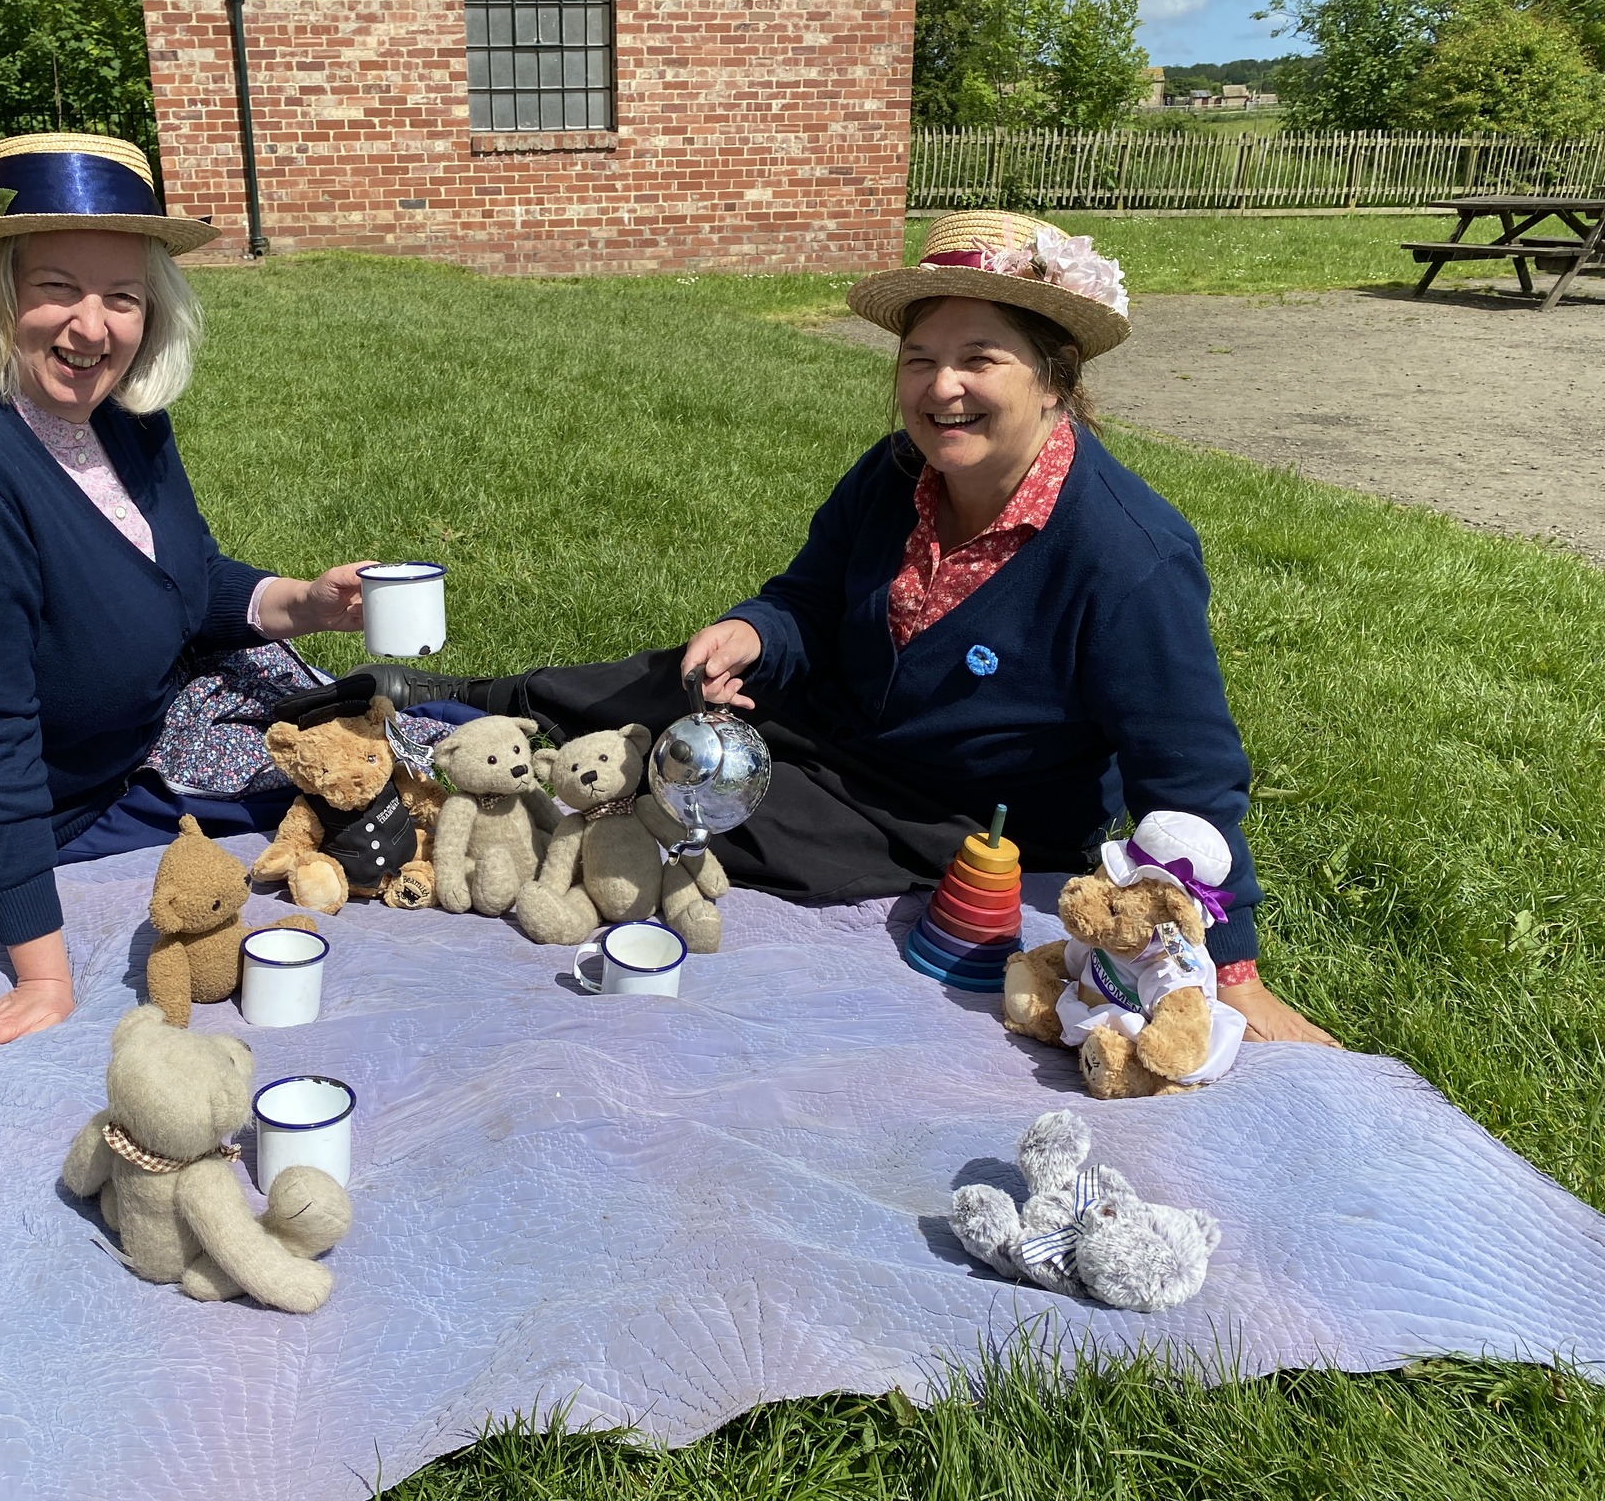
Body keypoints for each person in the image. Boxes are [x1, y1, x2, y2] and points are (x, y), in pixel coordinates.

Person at [311, 210, 1337, 1046]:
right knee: (635, 684)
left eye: (978, 357)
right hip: (821, 721)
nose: (940, 388)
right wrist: (753, 632)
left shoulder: (1125, 555)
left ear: (1053, 378)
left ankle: (463, 799)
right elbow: (803, 597)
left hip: (948, 816)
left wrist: (1230, 969)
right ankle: (434, 713)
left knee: (669, 794)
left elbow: (1189, 774)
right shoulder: (894, 476)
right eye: (917, 358)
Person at [0, 134, 375, 1085]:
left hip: (139, 720)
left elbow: (184, 573)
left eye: (121, 298)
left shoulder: (115, 413)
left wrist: (302, 603)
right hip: (53, 802)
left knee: (389, 721)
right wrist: (42, 978)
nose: (92, 327)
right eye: (56, 287)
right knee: (363, 776)